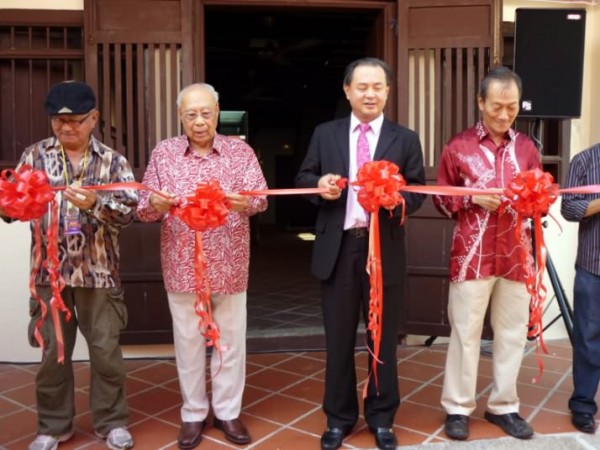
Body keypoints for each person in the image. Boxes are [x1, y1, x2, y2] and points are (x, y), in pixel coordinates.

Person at [295, 57, 426, 450]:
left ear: (388, 91)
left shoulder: (405, 139)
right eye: (362, 87)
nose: (370, 93)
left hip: (383, 251)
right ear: (347, 90)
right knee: (338, 340)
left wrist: (393, 198)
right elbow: (303, 179)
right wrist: (320, 185)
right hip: (339, 249)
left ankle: (382, 418)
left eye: (378, 87)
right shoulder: (326, 134)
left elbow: (416, 192)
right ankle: (338, 418)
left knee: (382, 338)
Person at [0, 81, 137, 450]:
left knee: (106, 353)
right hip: (49, 274)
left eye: (75, 121)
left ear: (94, 118)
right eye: (59, 122)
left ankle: (112, 423)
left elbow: (129, 214)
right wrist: (9, 204)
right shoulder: (35, 156)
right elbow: (11, 208)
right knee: (51, 356)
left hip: (100, 272)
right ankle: (53, 426)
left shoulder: (113, 162)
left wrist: (95, 204)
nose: (67, 129)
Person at [136, 83, 267, 449]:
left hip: (229, 261)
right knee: (189, 342)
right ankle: (193, 412)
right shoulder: (164, 154)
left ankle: (227, 411)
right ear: (181, 116)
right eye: (191, 114)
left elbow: (260, 198)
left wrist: (245, 204)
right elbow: (144, 207)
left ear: (218, 112)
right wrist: (157, 206)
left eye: (206, 113)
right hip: (181, 263)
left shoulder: (240, 152)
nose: (199, 121)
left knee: (230, 341)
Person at [433, 66, 542, 441]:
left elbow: (542, 203)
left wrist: (533, 201)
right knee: (465, 333)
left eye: (511, 108)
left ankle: (504, 406)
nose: (503, 114)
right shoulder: (458, 146)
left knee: (512, 334)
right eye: (496, 105)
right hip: (472, 255)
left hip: (516, 255)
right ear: (481, 102)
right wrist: (470, 199)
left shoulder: (527, 149)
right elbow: (442, 199)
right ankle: (458, 407)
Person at [561, 143, 600, 435]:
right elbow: (570, 208)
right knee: (588, 338)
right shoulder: (585, 160)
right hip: (593, 265)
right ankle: (583, 405)